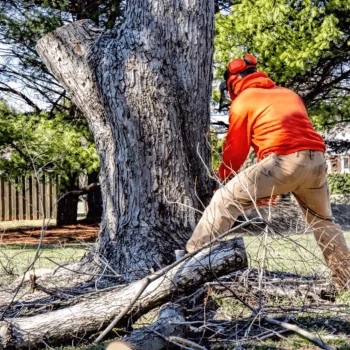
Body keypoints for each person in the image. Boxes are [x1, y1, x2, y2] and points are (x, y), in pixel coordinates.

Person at [186, 54, 350, 290]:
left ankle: (187, 265)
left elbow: (236, 152)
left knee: (223, 201)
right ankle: (345, 282)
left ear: (233, 82)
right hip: (317, 162)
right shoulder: (288, 94)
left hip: (284, 162)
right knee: (324, 222)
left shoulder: (244, 100)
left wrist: (220, 179)